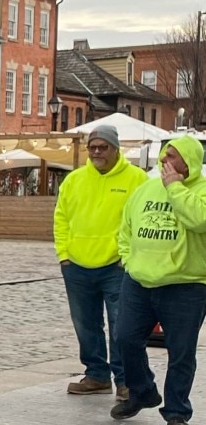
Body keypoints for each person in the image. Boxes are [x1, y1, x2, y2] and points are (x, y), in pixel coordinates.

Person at [112, 135, 206, 425]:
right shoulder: (146, 189)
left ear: (190, 161)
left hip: (186, 286)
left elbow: (198, 220)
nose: (166, 161)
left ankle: (177, 411)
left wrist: (175, 188)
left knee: (181, 351)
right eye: (165, 155)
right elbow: (126, 225)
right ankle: (142, 392)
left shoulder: (201, 191)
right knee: (125, 338)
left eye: (174, 156)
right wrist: (127, 258)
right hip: (139, 281)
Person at [53, 123, 147, 398]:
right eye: (92, 147)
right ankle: (96, 374)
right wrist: (64, 255)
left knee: (122, 325)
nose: (96, 152)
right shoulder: (74, 179)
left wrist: (128, 257)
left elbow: (142, 219)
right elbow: (61, 217)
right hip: (77, 265)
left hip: (117, 267)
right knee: (85, 323)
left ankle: (125, 380)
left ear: (115, 149)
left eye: (102, 147)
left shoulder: (137, 179)